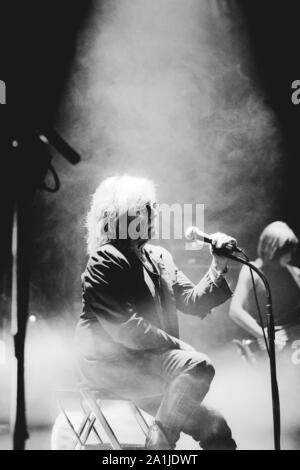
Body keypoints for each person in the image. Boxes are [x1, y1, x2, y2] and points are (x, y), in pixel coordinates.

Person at [75, 175, 237, 450]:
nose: (154, 215)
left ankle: (159, 443)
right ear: (121, 216)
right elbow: (127, 330)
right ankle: (158, 449)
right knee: (197, 365)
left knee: (216, 427)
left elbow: (192, 300)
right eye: (145, 209)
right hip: (113, 364)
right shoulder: (105, 259)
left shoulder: (159, 257)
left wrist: (218, 265)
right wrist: (180, 347)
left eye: (153, 208)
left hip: (150, 364)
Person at [229, 221, 300, 353]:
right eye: (286, 252)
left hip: (292, 342)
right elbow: (235, 310)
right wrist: (264, 335)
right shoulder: (251, 271)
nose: (290, 256)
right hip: (263, 346)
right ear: (274, 251)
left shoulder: (294, 272)